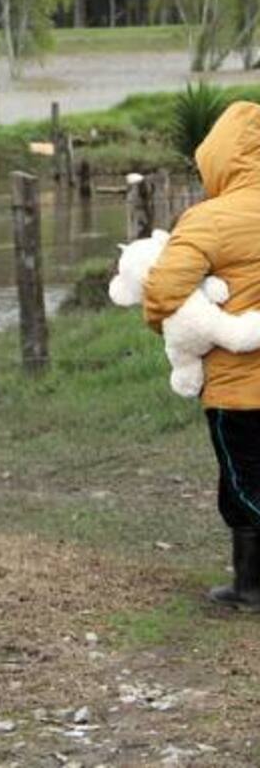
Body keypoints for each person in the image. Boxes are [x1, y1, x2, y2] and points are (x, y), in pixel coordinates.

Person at [144, 101, 260, 609]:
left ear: (218, 158)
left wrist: (181, 327)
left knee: (243, 483)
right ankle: (250, 585)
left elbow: (162, 292)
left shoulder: (209, 219)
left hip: (240, 390)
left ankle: (250, 587)